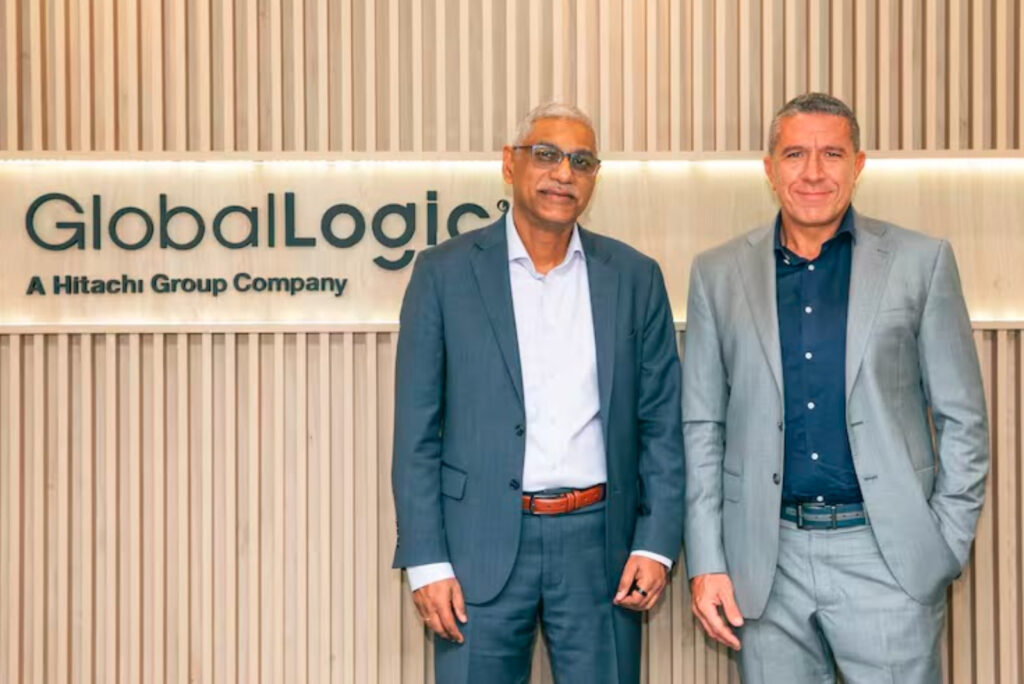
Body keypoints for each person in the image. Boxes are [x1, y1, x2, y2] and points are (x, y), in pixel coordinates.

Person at [683, 92, 989, 683]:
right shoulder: (717, 273)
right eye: (795, 154)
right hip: (764, 562)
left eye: (832, 154)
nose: (814, 172)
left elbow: (964, 420)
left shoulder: (921, 262)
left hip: (887, 556)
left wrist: (942, 546)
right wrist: (708, 559)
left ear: (858, 164)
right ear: (769, 168)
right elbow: (702, 427)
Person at [391, 102, 685, 683]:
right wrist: (426, 560)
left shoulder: (635, 277)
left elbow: (661, 425)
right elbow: (416, 432)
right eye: (546, 154)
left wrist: (655, 545)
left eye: (581, 161)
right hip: (477, 546)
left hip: (601, 546)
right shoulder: (443, 273)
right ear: (510, 163)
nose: (563, 173)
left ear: (595, 177)